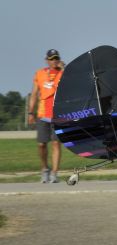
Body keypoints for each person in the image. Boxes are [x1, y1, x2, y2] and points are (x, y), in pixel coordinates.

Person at [28, 49, 65, 183]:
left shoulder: (63, 73)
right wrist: (30, 112)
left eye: (56, 58)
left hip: (58, 114)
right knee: (41, 144)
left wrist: (64, 69)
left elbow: (72, 85)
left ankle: (54, 174)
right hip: (43, 114)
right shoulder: (40, 74)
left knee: (56, 143)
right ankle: (45, 169)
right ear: (47, 60)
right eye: (51, 58)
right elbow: (33, 94)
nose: (54, 60)